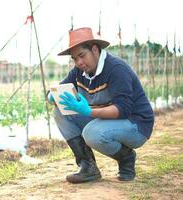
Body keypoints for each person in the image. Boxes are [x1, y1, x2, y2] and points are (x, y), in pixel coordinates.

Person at [48, 27, 154, 183]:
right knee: (60, 112)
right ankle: (88, 167)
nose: (79, 62)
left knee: (92, 133)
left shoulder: (116, 69)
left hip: (136, 124)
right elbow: (58, 89)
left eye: (82, 56)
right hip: (110, 121)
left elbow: (122, 109)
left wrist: (87, 110)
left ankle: (126, 158)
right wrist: (52, 96)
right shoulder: (79, 71)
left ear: (95, 49)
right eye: (74, 59)